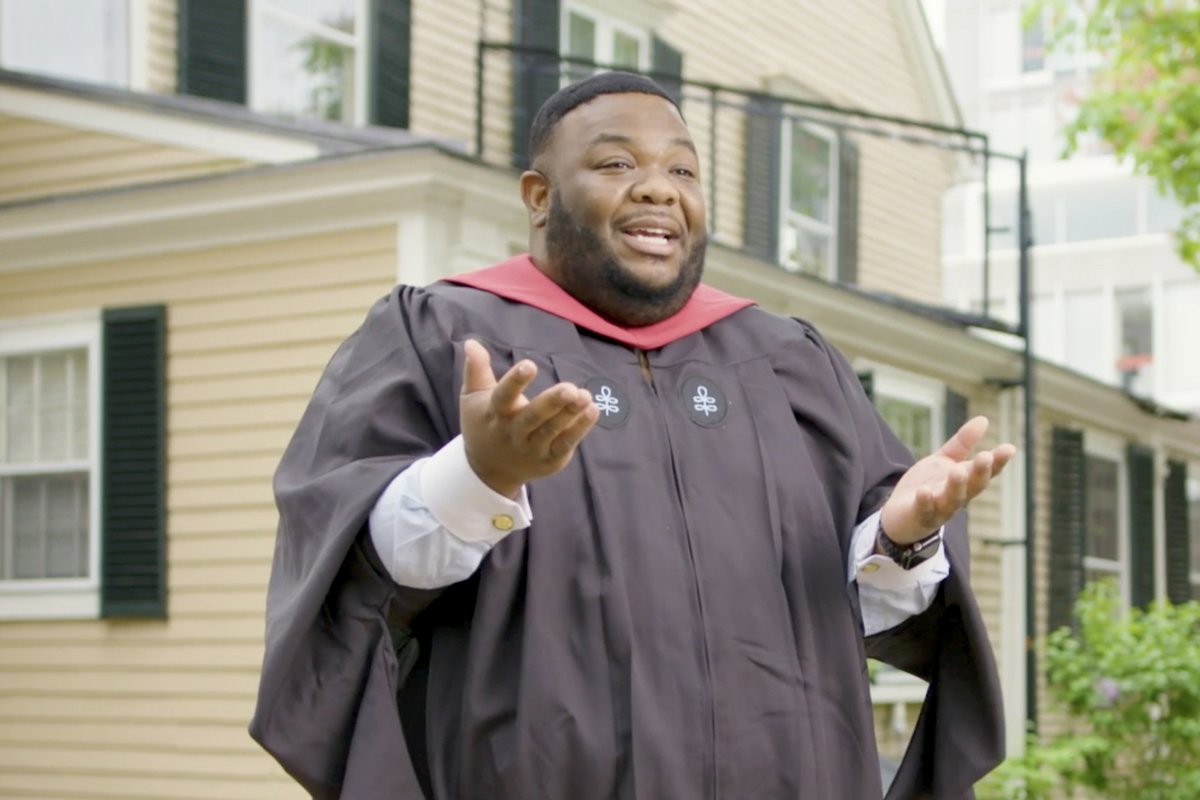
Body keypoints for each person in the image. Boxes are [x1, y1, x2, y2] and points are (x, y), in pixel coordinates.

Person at [250, 71, 1013, 799]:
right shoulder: (443, 336)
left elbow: (869, 616)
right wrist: (479, 477)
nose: (658, 187)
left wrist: (902, 540)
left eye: (683, 171)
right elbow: (353, 583)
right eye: (618, 162)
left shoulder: (788, 364)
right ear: (540, 197)